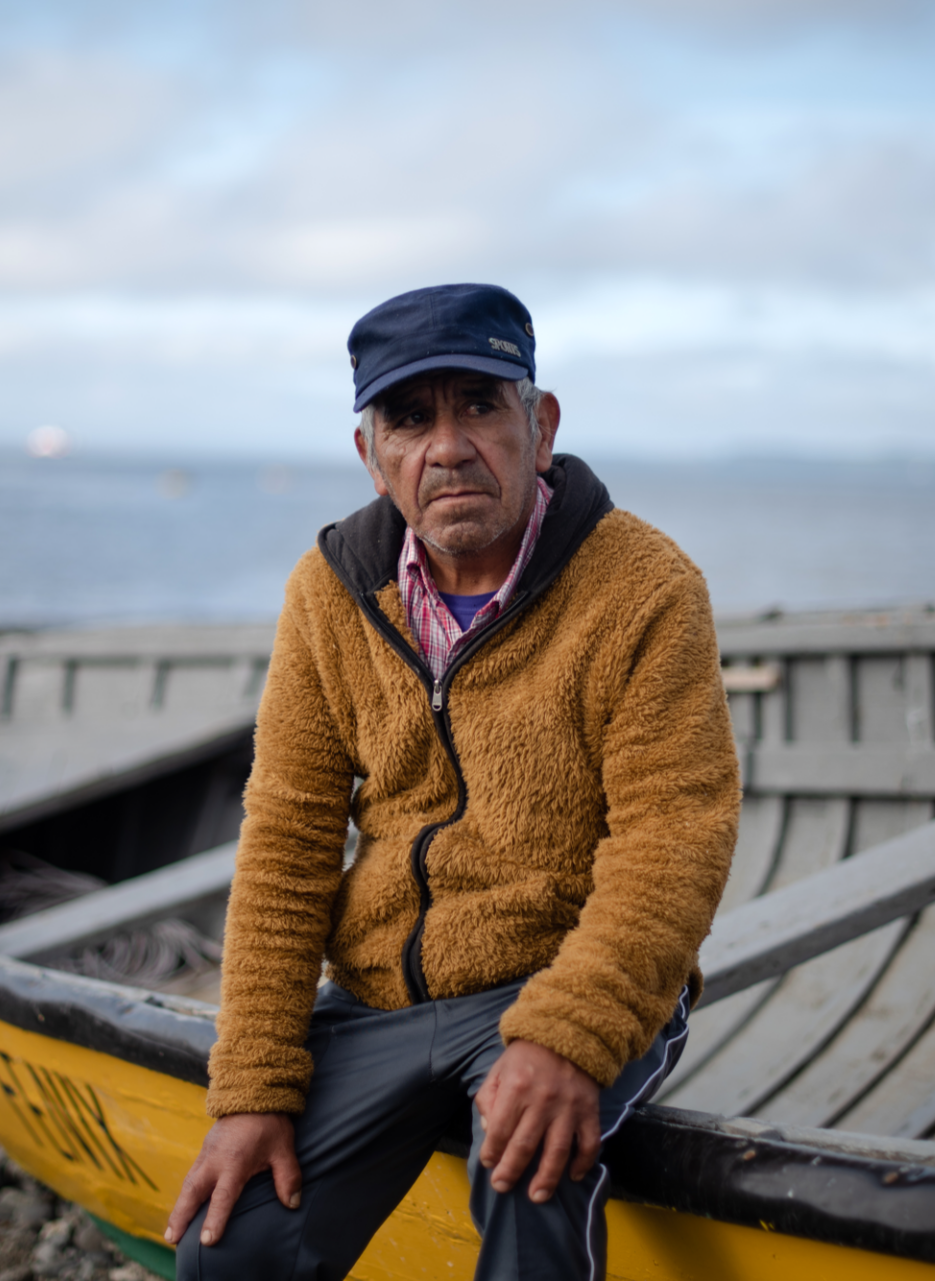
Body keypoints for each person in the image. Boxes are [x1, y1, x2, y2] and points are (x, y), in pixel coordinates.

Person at [165, 283, 740, 1280]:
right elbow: (288, 841)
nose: (446, 446)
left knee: (529, 1167)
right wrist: (251, 1087)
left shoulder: (644, 587)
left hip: (559, 972)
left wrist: (568, 1037)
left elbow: (673, 836)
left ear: (539, 423)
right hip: (382, 996)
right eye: (408, 419)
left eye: (478, 405)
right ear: (371, 455)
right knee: (233, 1245)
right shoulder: (332, 591)